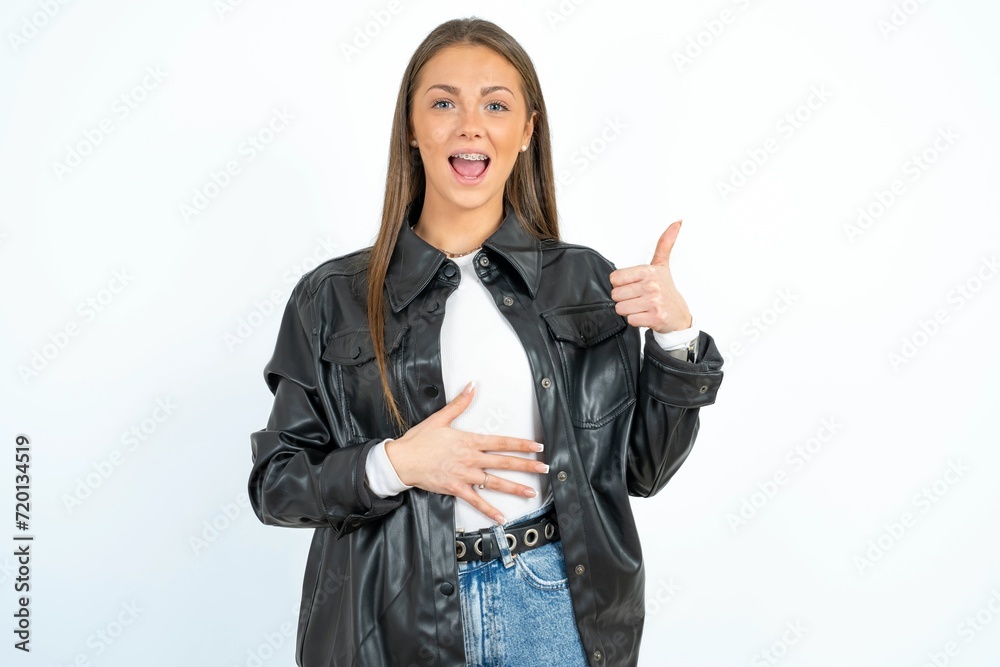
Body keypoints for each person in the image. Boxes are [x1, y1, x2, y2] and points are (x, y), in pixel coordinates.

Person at [249, 16, 724, 667]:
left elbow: (642, 470)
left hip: (551, 607)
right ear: (411, 127)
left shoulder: (585, 282)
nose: (470, 125)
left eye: (495, 105)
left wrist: (675, 337)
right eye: (444, 103)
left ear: (527, 131)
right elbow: (277, 485)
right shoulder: (331, 298)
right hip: (391, 619)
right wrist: (395, 464)